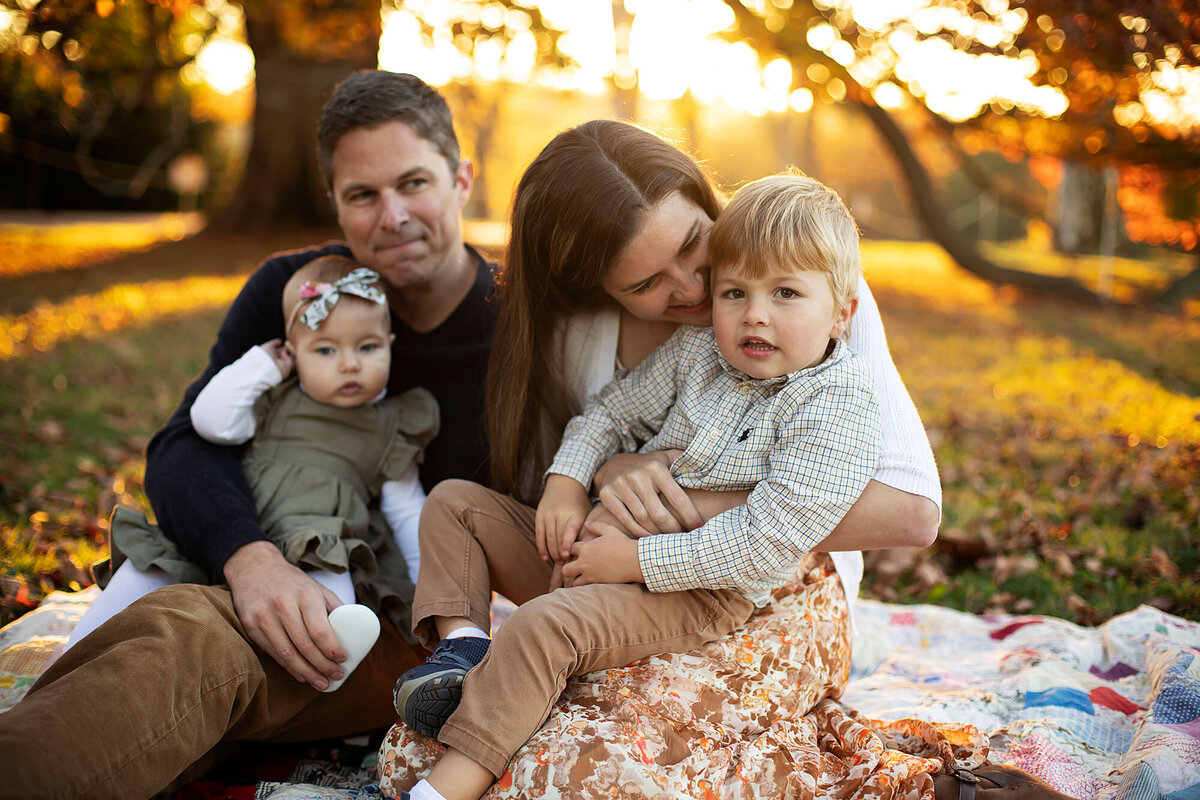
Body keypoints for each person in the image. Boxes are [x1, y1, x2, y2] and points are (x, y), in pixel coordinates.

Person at [0, 70, 498, 800]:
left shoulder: (513, 325)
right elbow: (185, 445)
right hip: (259, 574)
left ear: (461, 179)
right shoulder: (295, 293)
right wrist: (251, 560)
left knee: (188, 638)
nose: (391, 216)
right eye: (362, 194)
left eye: (413, 183)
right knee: (173, 642)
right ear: (334, 200)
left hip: (394, 625)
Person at [391, 171, 882, 800]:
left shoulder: (835, 405)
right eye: (734, 292)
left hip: (699, 591)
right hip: (599, 543)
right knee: (454, 504)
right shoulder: (698, 353)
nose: (754, 314)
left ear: (842, 312)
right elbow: (612, 411)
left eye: (786, 293)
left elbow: (764, 544)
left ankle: (446, 787)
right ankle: (461, 651)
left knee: (542, 627)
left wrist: (633, 561)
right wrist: (568, 481)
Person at [63, 256, 439, 655]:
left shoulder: (394, 425)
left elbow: (407, 512)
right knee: (148, 568)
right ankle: (74, 650)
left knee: (330, 587)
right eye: (325, 350)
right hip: (235, 521)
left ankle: (329, 657)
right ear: (294, 353)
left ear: (390, 346)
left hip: (318, 538)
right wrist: (262, 366)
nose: (349, 364)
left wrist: (427, 597)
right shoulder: (273, 397)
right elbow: (209, 423)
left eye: (367, 347)